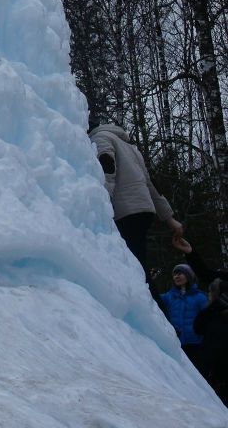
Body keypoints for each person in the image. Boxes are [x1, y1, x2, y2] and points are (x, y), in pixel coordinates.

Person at [88, 119, 185, 295]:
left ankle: (155, 312)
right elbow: (150, 183)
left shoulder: (101, 138)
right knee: (139, 262)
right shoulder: (130, 147)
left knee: (137, 270)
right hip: (144, 210)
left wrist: (102, 201)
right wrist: (170, 218)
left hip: (126, 211)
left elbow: (107, 168)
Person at [161, 263, 208, 367]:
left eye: (180, 273)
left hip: (196, 344)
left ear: (189, 276)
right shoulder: (169, 296)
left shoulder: (200, 297)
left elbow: (208, 320)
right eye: (174, 274)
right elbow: (151, 297)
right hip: (176, 344)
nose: (176, 276)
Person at [194, 275, 228, 400]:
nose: (208, 294)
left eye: (210, 292)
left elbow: (198, 328)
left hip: (217, 368)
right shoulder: (212, 312)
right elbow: (198, 328)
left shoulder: (213, 313)